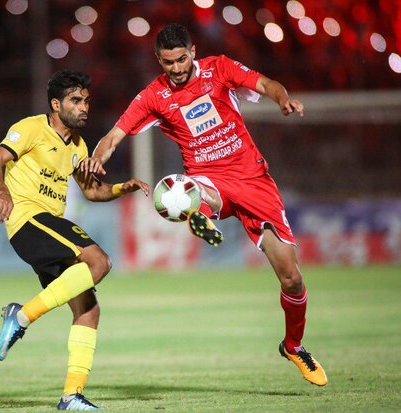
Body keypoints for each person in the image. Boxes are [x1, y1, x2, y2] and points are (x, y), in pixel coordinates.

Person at [80, 23, 327, 387]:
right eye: (168, 63)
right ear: (158, 61)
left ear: (192, 52)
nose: (176, 69)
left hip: (253, 180)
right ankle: (201, 212)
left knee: (291, 278)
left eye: (181, 59)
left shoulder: (220, 68)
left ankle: (293, 346)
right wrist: (98, 157)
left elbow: (266, 84)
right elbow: (114, 135)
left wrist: (282, 100)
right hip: (207, 177)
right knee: (182, 190)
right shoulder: (153, 95)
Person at [0, 70, 149, 410]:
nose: (84, 107)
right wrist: (3, 192)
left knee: (88, 309)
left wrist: (122, 188)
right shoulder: (30, 128)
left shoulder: (78, 145)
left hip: (48, 225)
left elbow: (91, 191)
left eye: (87, 101)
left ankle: (71, 395)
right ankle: (22, 316)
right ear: (56, 104)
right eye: (76, 100)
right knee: (99, 261)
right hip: (28, 219)